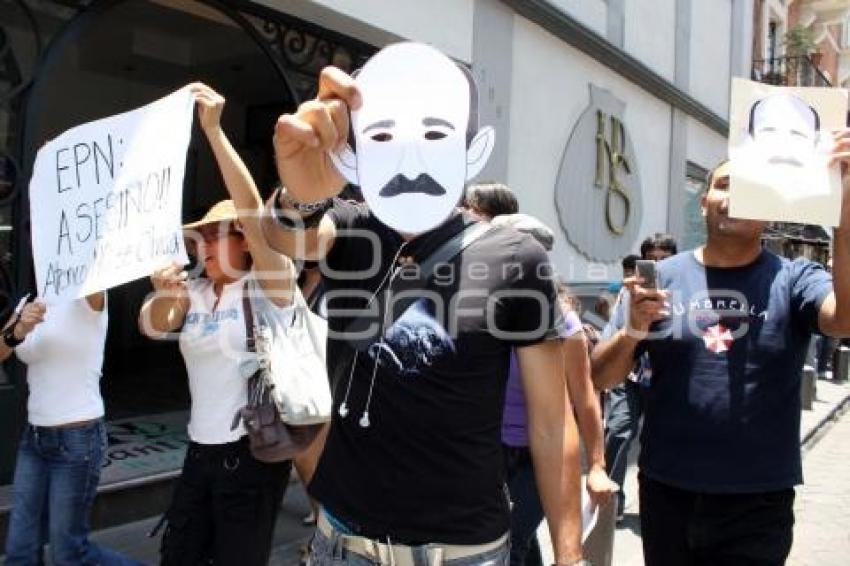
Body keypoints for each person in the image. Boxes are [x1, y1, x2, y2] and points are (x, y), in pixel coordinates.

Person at [262, 45, 586, 565]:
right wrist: (298, 192)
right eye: (382, 136)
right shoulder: (351, 228)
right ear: (355, 151)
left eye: (435, 134)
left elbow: (551, 424)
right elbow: (283, 238)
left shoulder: (516, 257)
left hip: (464, 551)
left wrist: (570, 555)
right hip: (341, 545)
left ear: (472, 148)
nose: (409, 156)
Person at [591, 151, 850, 565]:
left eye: (751, 190)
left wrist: (844, 212)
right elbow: (601, 377)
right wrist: (631, 332)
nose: (733, 198)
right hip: (668, 491)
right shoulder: (659, 280)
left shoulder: (794, 278)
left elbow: (843, 321)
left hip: (757, 500)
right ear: (704, 199)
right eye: (724, 185)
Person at [139, 83, 296, 565]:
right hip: (198, 453)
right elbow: (152, 324)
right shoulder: (197, 291)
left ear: (246, 242)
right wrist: (167, 297)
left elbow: (251, 213)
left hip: (250, 455)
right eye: (200, 237)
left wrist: (212, 131)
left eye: (217, 235)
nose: (204, 245)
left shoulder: (270, 285)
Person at [467, 188, 616, 566]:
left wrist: (597, 466)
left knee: (510, 541)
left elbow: (584, 398)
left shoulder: (561, 321)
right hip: (486, 451)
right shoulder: (473, 310)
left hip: (540, 456)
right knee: (512, 538)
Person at [1, 294, 141, 566]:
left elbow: (92, 268)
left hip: (77, 440)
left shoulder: (89, 296)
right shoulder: (27, 301)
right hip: (35, 439)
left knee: (69, 553)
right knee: (20, 551)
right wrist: (17, 331)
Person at [603, 234, 677, 522]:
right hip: (630, 376)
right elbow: (614, 332)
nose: (659, 263)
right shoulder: (628, 293)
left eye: (665, 257)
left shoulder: (683, 290)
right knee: (619, 431)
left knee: (659, 440)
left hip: (664, 380)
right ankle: (612, 500)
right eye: (653, 258)